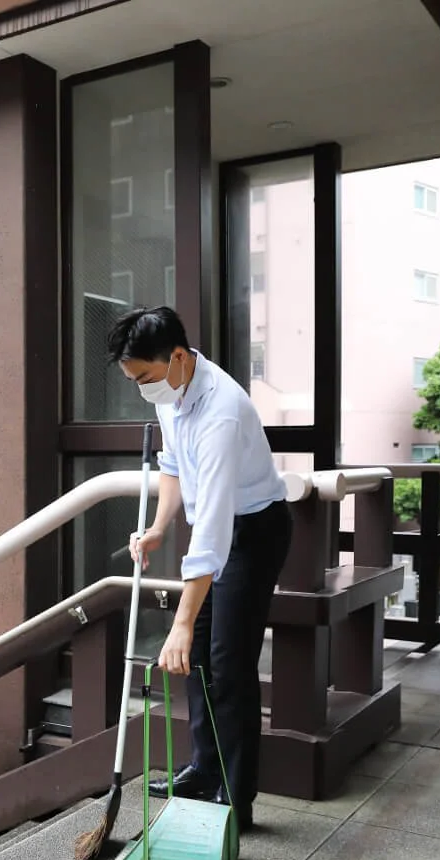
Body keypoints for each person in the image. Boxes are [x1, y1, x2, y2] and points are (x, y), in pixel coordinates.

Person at [107, 305, 292, 832]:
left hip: (254, 531)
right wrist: (161, 525)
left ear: (179, 358)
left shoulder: (221, 412)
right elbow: (172, 467)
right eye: (133, 379)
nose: (142, 389)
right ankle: (203, 770)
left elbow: (211, 531)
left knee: (228, 663)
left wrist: (181, 622)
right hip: (221, 532)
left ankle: (236, 799)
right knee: (198, 665)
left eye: (145, 377)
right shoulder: (171, 391)